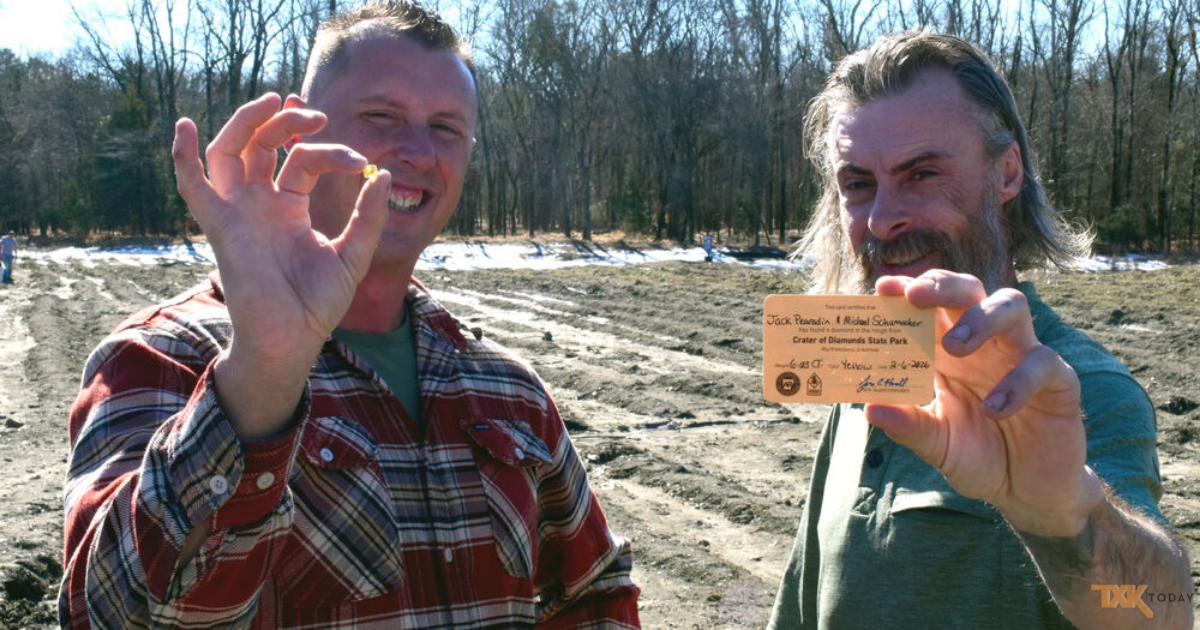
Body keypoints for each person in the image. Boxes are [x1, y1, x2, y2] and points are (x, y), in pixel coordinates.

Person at [59, 2, 639, 628]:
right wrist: (262, 377)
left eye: (446, 127)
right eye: (380, 116)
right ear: (300, 133)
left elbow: (593, 598)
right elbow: (106, 613)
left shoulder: (509, 392)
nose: (416, 150)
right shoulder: (161, 360)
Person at [768, 32, 1194, 629]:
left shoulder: (1075, 387)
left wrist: (1065, 516)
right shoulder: (867, 365)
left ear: (1008, 172)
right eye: (858, 184)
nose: (884, 220)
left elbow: (1165, 614)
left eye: (922, 174)